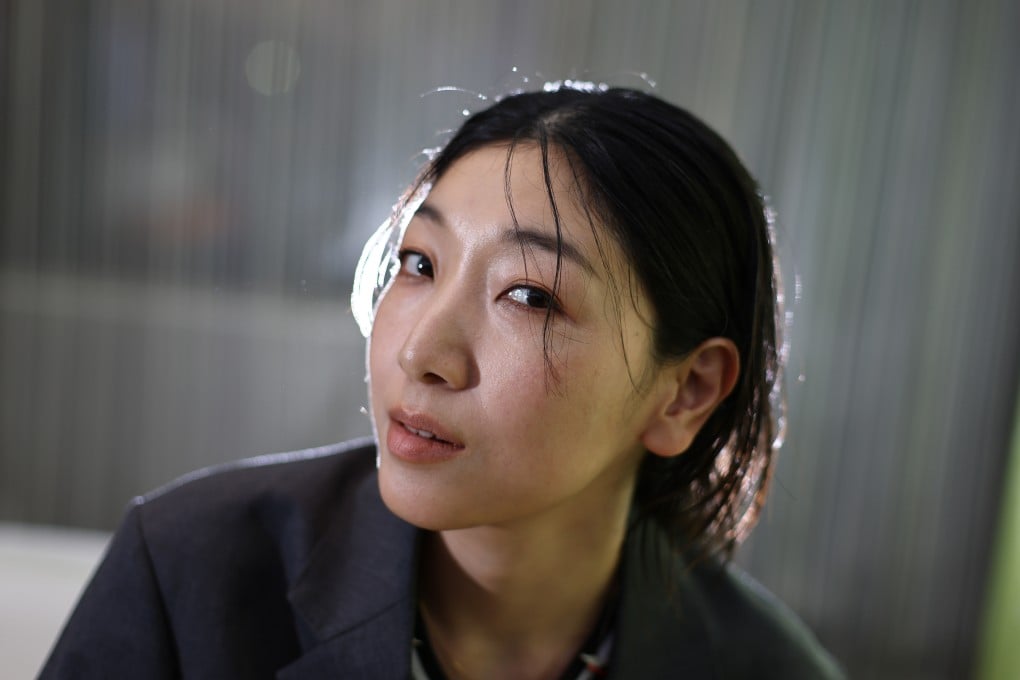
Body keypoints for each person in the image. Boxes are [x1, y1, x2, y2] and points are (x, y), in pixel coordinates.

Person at [41, 85, 843, 679]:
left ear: (687, 391)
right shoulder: (190, 575)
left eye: (528, 296)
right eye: (419, 264)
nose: (421, 350)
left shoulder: (767, 670)